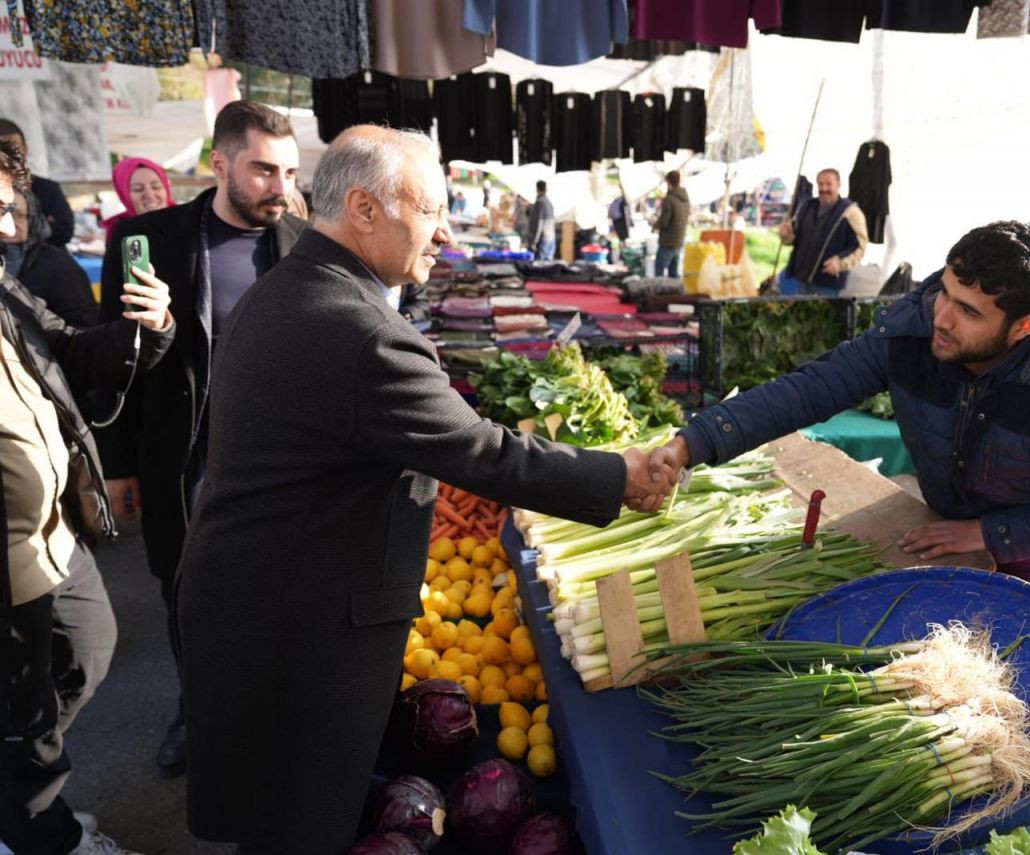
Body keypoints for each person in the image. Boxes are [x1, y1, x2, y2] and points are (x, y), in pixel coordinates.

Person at [176, 125, 674, 853]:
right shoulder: (360, 329)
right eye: (432, 209)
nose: (446, 232)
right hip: (299, 630)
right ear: (364, 209)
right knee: (298, 825)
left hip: (256, 601)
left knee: (272, 814)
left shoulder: (287, 287)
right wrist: (618, 475)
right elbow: (481, 451)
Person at [649, 221, 1030, 614]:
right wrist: (693, 442)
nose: (942, 318)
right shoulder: (912, 334)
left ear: (1024, 327)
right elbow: (809, 390)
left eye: (970, 312)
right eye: (946, 293)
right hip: (940, 538)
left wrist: (988, 533)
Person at [92, 100, 307, 777]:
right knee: (185, 593)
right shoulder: (148, 239)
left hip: (279, 463)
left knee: (274, 590)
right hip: (183, 457)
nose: (280, 186)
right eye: (264, 170)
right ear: (219, 164)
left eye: (289, 171)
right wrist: (119, 464)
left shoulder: (303, 240)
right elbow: (115, 363)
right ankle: (196, 709)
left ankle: (267, 709)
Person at [0, 138, 175, 855]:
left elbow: (71, 346)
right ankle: (43, 831)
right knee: (27, 708)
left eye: (9, 209)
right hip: (8, 556)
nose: (12, 228)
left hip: (52, 530)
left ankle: (21, 789)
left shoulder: (4, 282)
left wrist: (149, 325)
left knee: (90, 647)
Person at [2, 190, 98, 328]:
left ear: (32, 219)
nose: (9, 224)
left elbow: (82, 327)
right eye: (1, 212)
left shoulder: (58, 265)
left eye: (19, 215)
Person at [777, 167, 868, 295]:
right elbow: (792, 238)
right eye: (821, 184)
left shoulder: (851, 213)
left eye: (829, 184)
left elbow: (859, 248)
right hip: (799, 280)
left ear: (838, 185)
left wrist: (839, 263)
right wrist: (786, 235)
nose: (824, 188)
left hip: (827, 285)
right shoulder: (806, 207)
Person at [0, 120, 75, 248]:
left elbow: (64, 231)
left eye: (21, 216)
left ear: (25, 150)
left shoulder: (48, 189)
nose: (10, 231)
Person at [100, 157, 175, 243]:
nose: (150, 195)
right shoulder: (121, 232)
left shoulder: (187, 223)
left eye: (156, 187)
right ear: (124, 195)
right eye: (138, 189)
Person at [653, 171, 690, 277]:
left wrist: (655, 224)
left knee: (659, 273)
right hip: (679, 240)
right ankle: (674, 293)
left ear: (668, 181)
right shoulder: (685, 199)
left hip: (667, 241)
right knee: (673, 274)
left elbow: (664, 222)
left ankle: (660, 293)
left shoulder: (670, 199)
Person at [527, 179, 556, 260]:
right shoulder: (549, 202)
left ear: (537, 189)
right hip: (551, 238)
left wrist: (534, 241)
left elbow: (539, 223)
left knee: (539, 267)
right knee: (548, 267)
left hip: (542, 240)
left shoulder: (539, 203)